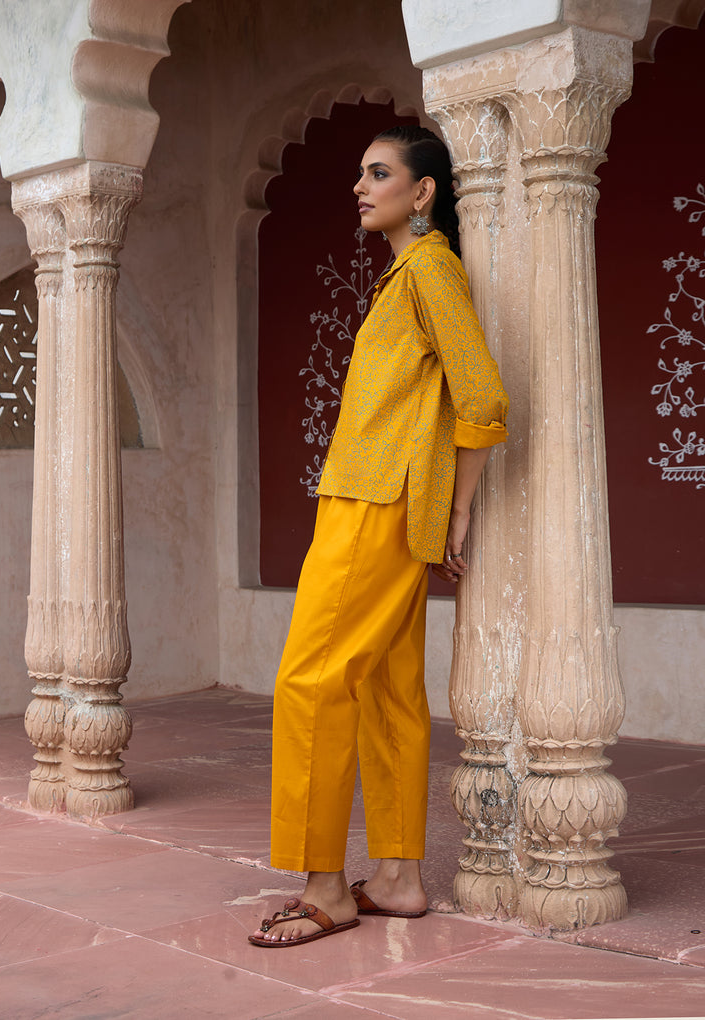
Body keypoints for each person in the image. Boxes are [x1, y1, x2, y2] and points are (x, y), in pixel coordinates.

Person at [249, 125, 509, 948]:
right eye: (361, 175)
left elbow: (483, 397)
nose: (360, 187)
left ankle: (325, 887)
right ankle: (397, 877)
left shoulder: (429, 269)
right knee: (390, 692)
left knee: (311, 681)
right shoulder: (410, 274)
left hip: (374, 504)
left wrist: (458, 510)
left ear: (422, 191)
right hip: (381, 501)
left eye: (379, 173)